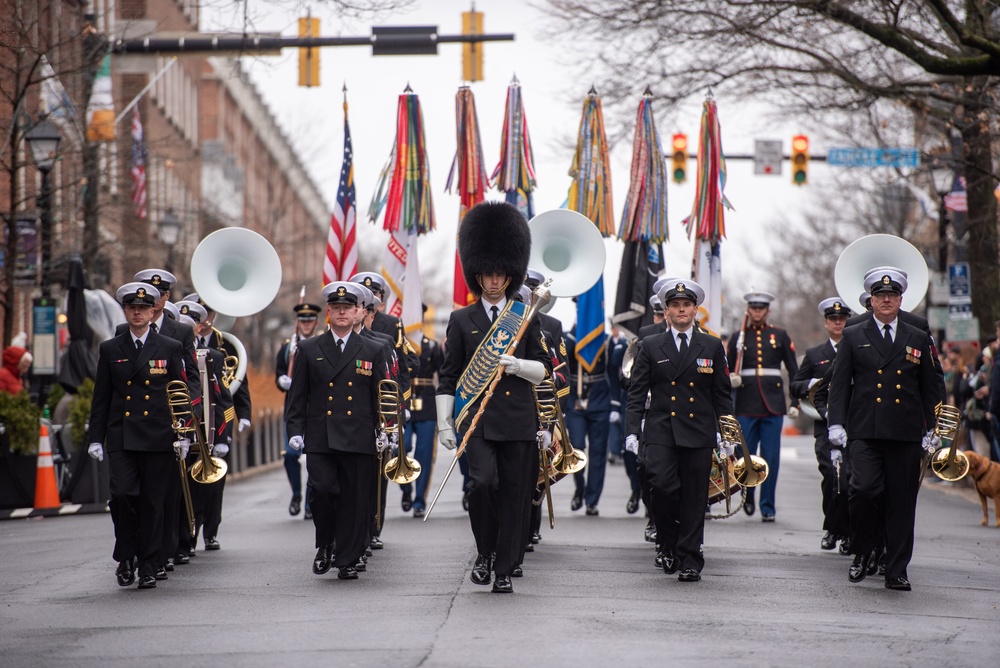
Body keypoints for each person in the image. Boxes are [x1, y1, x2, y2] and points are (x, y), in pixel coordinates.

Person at [436, 201, 550, 594]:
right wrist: (443, 424)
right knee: (482, 485)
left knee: (516, 495)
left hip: (518, 420)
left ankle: (503, 568)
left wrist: (517, 366)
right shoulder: (461, 320)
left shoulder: (526, 315)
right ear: (477, 274)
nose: (495, 279)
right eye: (488, 273)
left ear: (511, 273)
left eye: (502, 272)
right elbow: (449, 375)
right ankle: (485, 552)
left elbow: (543, 369)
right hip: (478, 422)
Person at [827, 268, 939, 591]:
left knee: (902, 504)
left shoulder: (917, 335)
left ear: (901, 299)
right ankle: (863, 550)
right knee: (861, 490)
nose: (886, 300)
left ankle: (897, 569)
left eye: (892, 296)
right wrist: (836, 423)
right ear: (871, 301)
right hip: (865, 431)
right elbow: (839, 387)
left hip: (904, 433)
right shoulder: (853, 334)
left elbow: (930, 386)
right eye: (880, 296)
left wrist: (932, 427)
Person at [625, 279, 733, 582]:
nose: (681, 309)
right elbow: (637, 393)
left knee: (695, 497)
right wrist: (632, 430)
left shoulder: (711, 345)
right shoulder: (650, 344)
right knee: (661, 486)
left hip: (698, 431)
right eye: (675, 305)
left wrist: (728, 434)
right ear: (667, 311)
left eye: (686, 305)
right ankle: (667, 542)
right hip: (661, 430)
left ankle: (690, 558)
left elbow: (722, 394)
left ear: (695, 310)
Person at [87, 282, 190, 590]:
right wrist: (95, 437)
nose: (138, 313)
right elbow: (101, 397)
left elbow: (180, 393)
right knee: (121, 496)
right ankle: (126, 552)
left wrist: (183, 432)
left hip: (159, 436)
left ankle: (148, 564)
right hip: (122, 436)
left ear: (152, 311)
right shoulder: (110, 348)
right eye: (132, 308)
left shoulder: (170, 348)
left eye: (143, 309)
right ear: (126, 311)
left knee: (153, 503)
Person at [285, 282, 389, 581]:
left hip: (359, 435)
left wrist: (385, 428)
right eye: (337, 308)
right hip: (321, 436)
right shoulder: (309, 347)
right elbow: (298, 395)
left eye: (348, 308)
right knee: (324, 491)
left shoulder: (374, 348)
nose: (342, 313)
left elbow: (381, 394)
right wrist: (295, 429)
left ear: (358, 311)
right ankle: (326, 543)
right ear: (329, 312)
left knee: (355, 500)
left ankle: (347, 558)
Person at [726, 290, 799, 521]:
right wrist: (731, 379)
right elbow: (726, 370)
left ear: (768, 311)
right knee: (745, 456)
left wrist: (795, 400)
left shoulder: (779, 335)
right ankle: (748, 495)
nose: (757, 311)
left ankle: (768, 506)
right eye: (754, 308)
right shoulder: (738, 336)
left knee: (771, 457)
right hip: (746, 404)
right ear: (748, 310)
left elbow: (793, 370)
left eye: (761, 308)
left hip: (773, 405)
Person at [790, 298, 852, 553]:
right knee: (830, 476)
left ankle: (848, 532)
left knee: (850, 480)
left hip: (854, 423)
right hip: (824, 423)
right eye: (833, 319)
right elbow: (795, 385)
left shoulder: (858, 347)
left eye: (842, 319)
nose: (838, 323)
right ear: (826, 323)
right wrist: (813, 383)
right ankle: (832, 528)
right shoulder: (815, 354)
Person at [275, 300, 322, 519]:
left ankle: (310, 505)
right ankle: (296, 494)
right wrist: (282, 381)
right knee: (291, 455)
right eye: (303, 320)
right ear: (298, 322)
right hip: (294, 409)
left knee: (314, 457)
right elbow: (278, 374)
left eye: (310, 320)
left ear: (316, 322)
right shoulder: (288, 348)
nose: (306, 324)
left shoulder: (322, 344)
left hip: (316, 409)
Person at [402, 305, 444, 518]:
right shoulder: (399, 345)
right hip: (405, 400)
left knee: (424, 453)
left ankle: (419, 500)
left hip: (426, 402)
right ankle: (405, 488)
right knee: (402, 446)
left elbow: (444, 375)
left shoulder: (433, 347)